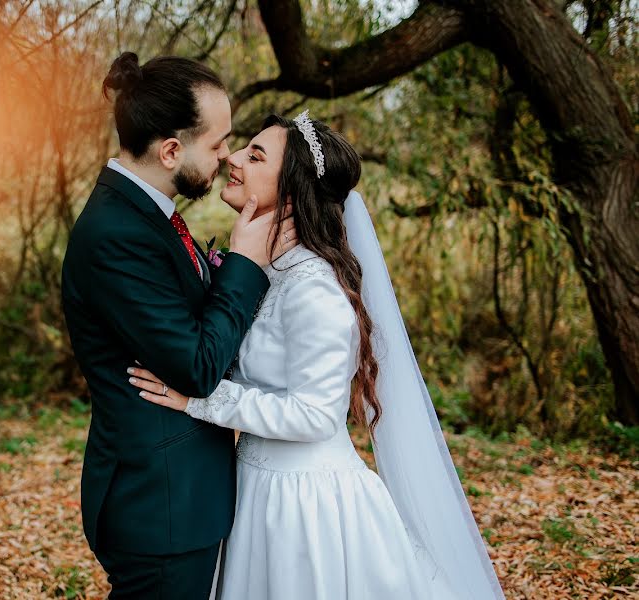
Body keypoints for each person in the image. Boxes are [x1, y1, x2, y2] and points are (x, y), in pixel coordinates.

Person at [128, 111, 506, 599]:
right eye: (242, 148)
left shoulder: (315, 290)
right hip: (258, 489)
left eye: (255, 155)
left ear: (291, 189)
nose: (234, 159)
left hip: (306, 506)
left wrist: (196, 399)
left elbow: (314, 415)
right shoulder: (271, 273)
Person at [60, 53, 296, 599]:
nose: (227, 157)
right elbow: (197, 365)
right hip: (159, 505)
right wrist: (243, 263)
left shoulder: (146, 214)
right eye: (217, 145)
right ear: (171, 150)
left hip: (179, 498)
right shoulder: (116, 234)